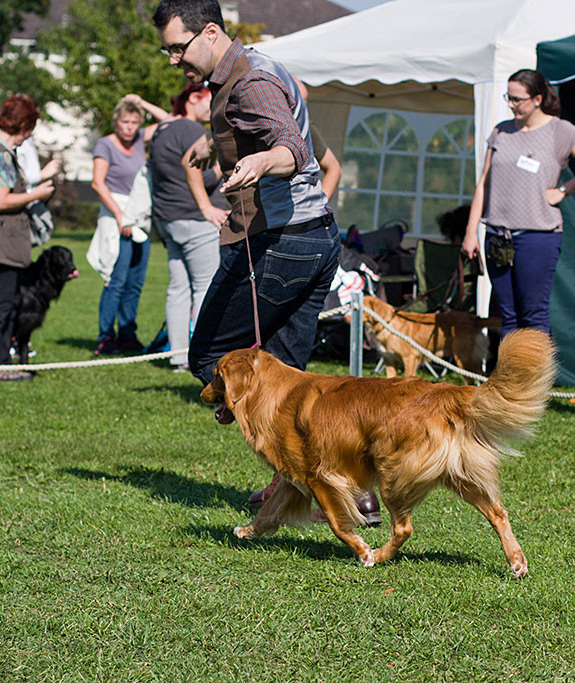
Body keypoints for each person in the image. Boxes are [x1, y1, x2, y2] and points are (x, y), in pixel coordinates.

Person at [153, 0, 373, 521]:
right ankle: (339, 489)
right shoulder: (264, 67)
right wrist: (220, 144)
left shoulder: (249, 82)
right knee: (290, 376)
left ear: (210, 32)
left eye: (177, 48)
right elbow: (275, 127)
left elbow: (293, 149)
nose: (172, 60)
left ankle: (304, 474)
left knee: (208, 355)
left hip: (279, 243)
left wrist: (259, 159)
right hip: (317, 238)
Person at [462, 68, 575, 337]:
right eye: (509, 98)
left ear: (537, 99)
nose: (511, 105)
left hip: (537, 237)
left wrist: (564, 190)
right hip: (497, 237)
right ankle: (511, 379)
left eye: (517, 99)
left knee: (533, 314)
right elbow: (484, 183)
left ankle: (536, 379)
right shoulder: (501, 132)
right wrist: (471, 233)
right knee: (508, 314)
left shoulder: (560, 130)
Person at [0, 93, 58, 382]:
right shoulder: (0, 153)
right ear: (24, 125)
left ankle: (1, 361)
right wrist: (38, 193)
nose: (28, 136)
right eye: (30, 128)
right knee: (0, 304)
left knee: (1, 301)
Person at [149, 83, 228, 372]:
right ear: (193, 98)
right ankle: (202, 356)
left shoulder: (161, 130)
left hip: (168, 220)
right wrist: (223, 165)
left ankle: (178, 356)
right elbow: (205, 179)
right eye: (209, 101)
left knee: (178, 289)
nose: (212, 109)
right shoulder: (192, 131)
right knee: (204, 287)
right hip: (196, 219)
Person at [88, 95, 171, 355]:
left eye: (135, 122)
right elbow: (98, 183)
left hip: (138, 216)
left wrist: (143, 103)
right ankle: (105, 337)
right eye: (125, 121)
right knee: (117, 278)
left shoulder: (138, 140)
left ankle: (127, 334)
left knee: (136, 280)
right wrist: (120, 215)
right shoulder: (106, 145)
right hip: (116, 215)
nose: (129, 127)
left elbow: (170, 122)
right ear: (116, 121)